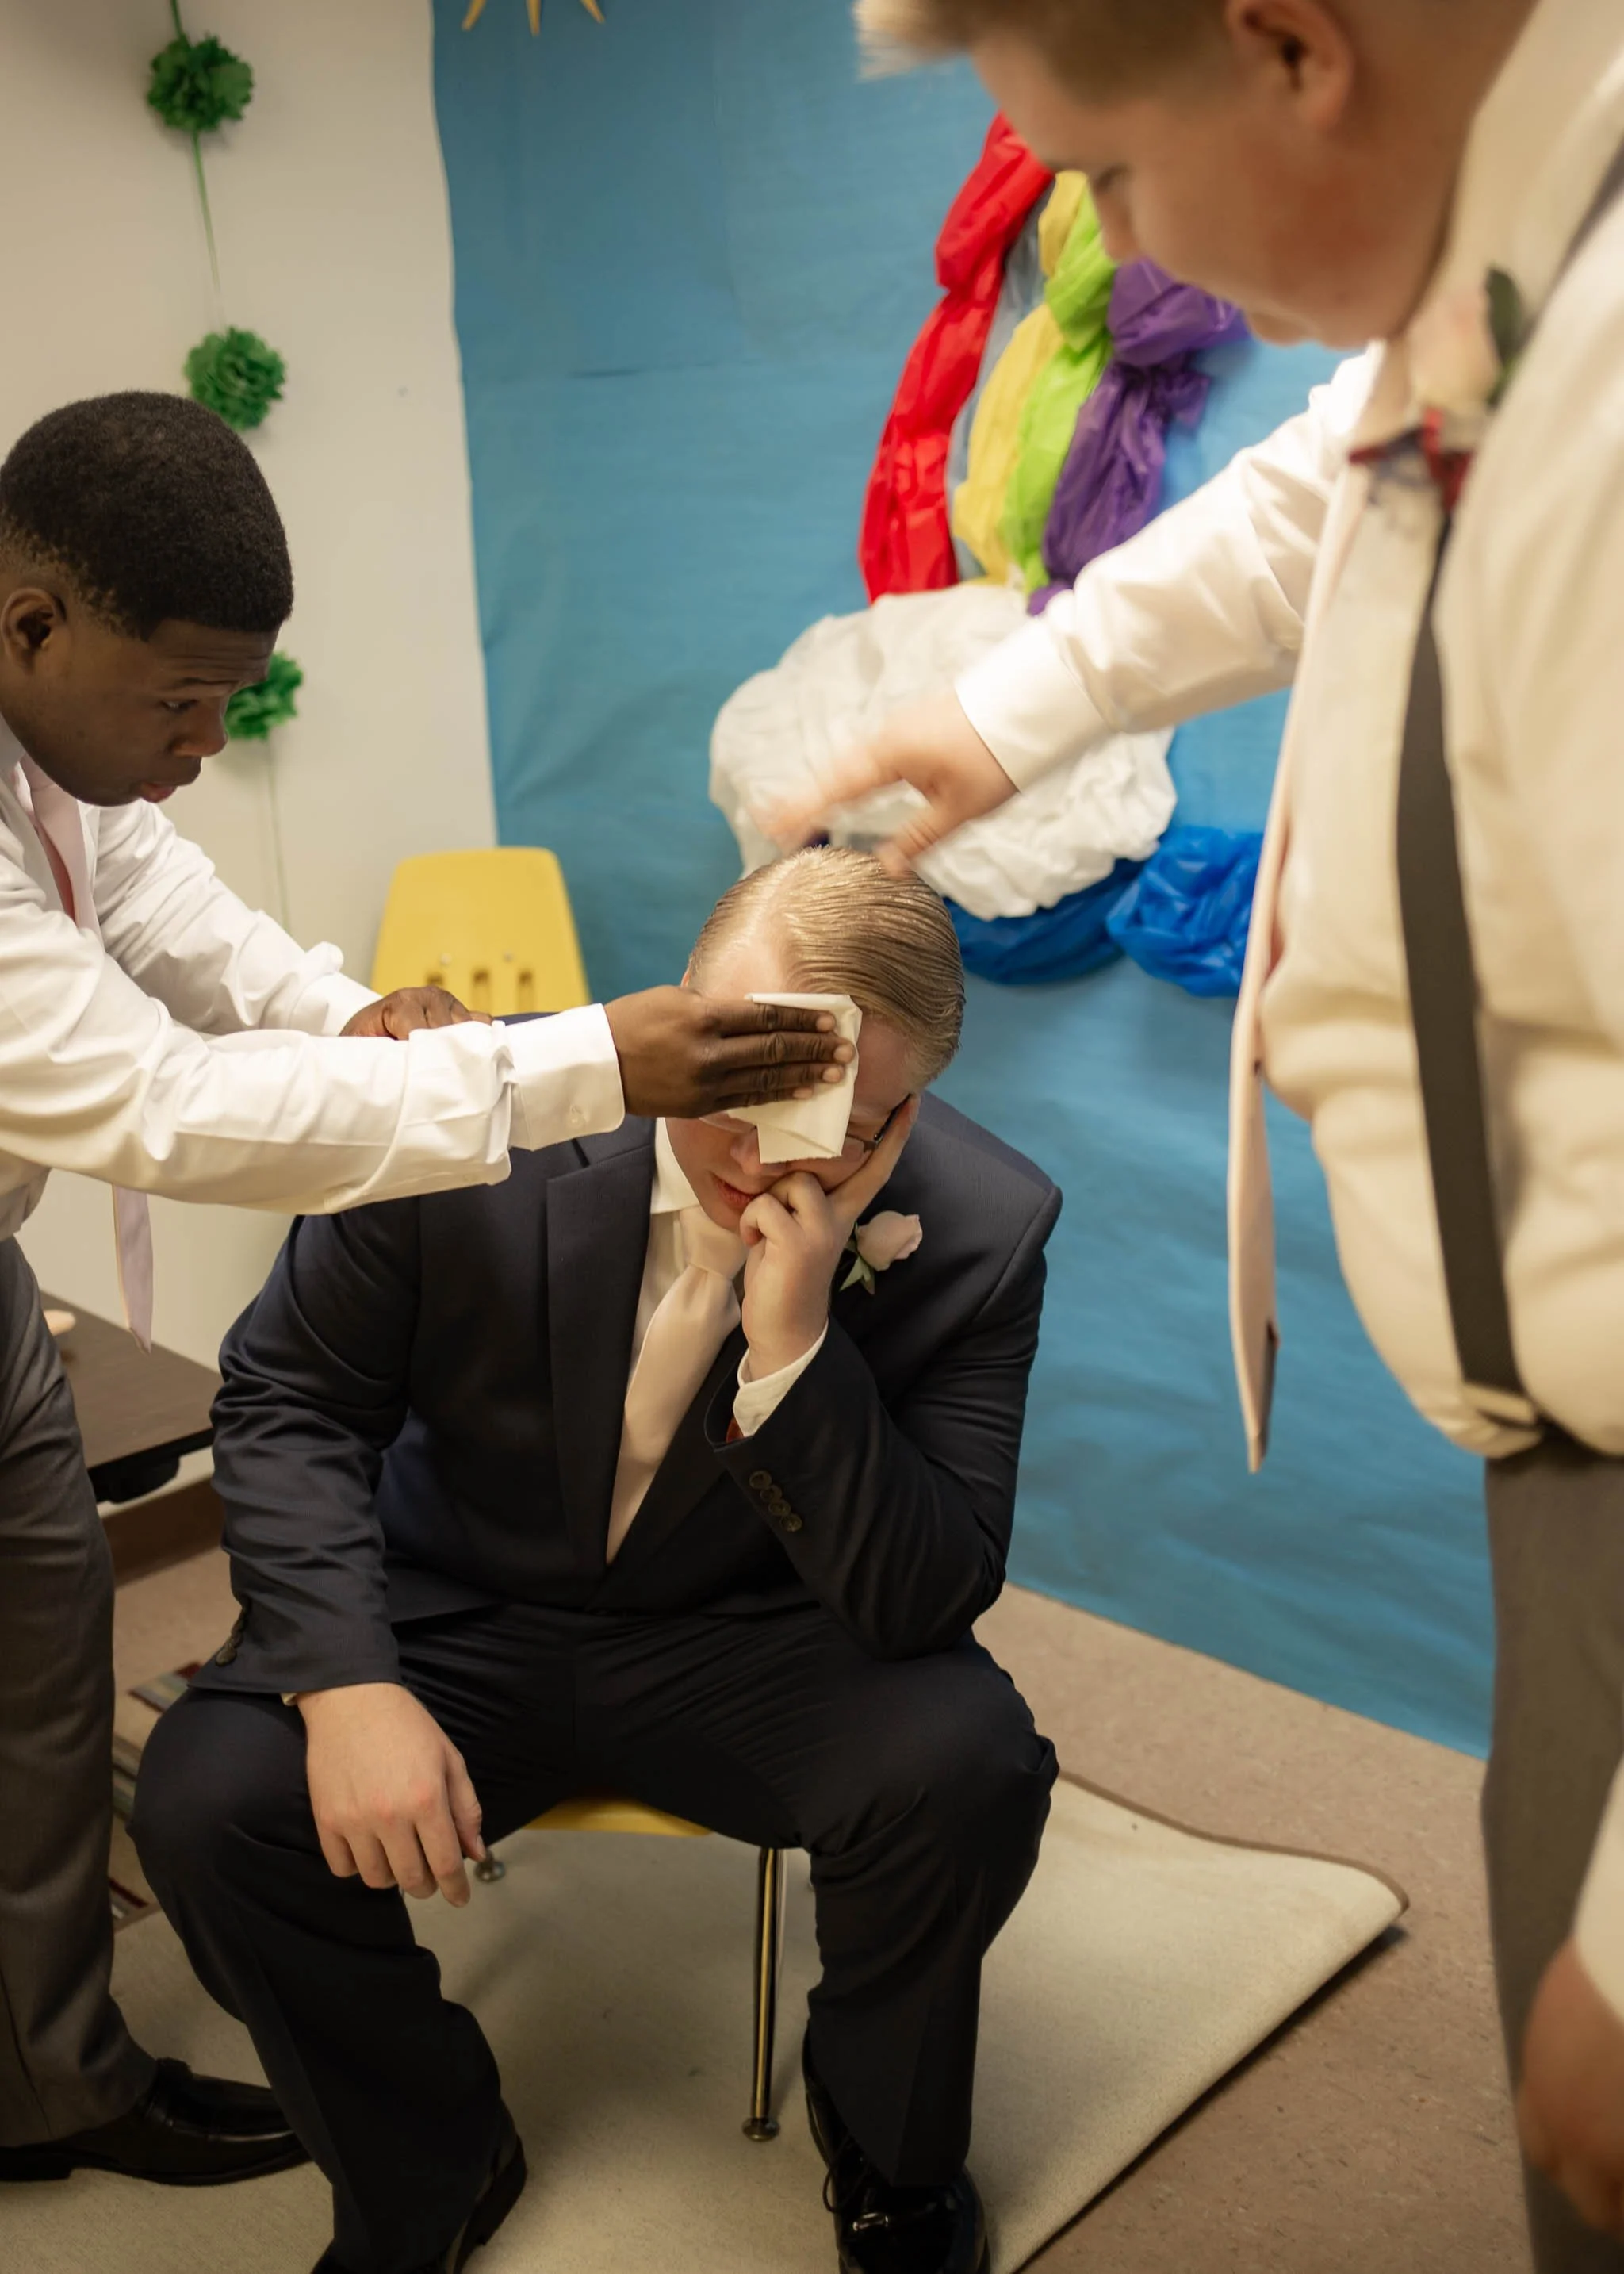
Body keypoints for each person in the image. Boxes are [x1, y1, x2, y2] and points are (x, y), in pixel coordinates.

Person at [775, 2, 1624, 2264]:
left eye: (1113, 175)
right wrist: (1006, 709)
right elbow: (1304, 503)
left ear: (1288, 49)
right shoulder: (1508, 278)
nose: (1127, 241)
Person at [0, 392, 849, 2193]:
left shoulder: (72, 752)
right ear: (31, 626)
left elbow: (177, 922)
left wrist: (355, 1015)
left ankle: (46, 2075)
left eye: (232, 702)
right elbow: (158, 1104)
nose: (207, 747)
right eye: (182, 702)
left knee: (42, 1674)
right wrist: (578, 1063)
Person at [132, 846, 1061, 2274]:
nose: (759, 1158)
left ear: (903, 1115)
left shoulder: (985, 1226)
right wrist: (345, 1683)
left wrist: (797, 1351)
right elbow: (290, 1398)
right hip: (459, 1602)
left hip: (754, 1632)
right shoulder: (466, 1110)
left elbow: (928, 1593)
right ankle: (431, 2151)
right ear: (681, 1013)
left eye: (823, 1120)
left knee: (969, 1764)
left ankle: (890, 2150)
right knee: (209, 1802)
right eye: (732, 1089)